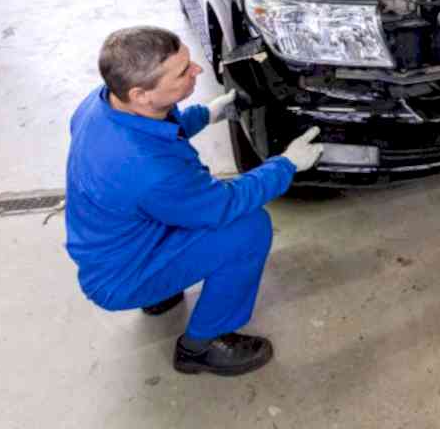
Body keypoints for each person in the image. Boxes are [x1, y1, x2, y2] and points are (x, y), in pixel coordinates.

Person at [64, 26, 323, 376]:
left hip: (118, 246)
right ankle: (202, 345)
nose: (198, 69)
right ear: (140, 94)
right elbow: (223, 204)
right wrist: (286, 164)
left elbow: (157, 133)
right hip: (124, 276)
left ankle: (159, 295)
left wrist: (207, 114)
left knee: (168, 209)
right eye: (183, 71)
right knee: (248, 230)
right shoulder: (147, 170)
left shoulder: (102, 105)